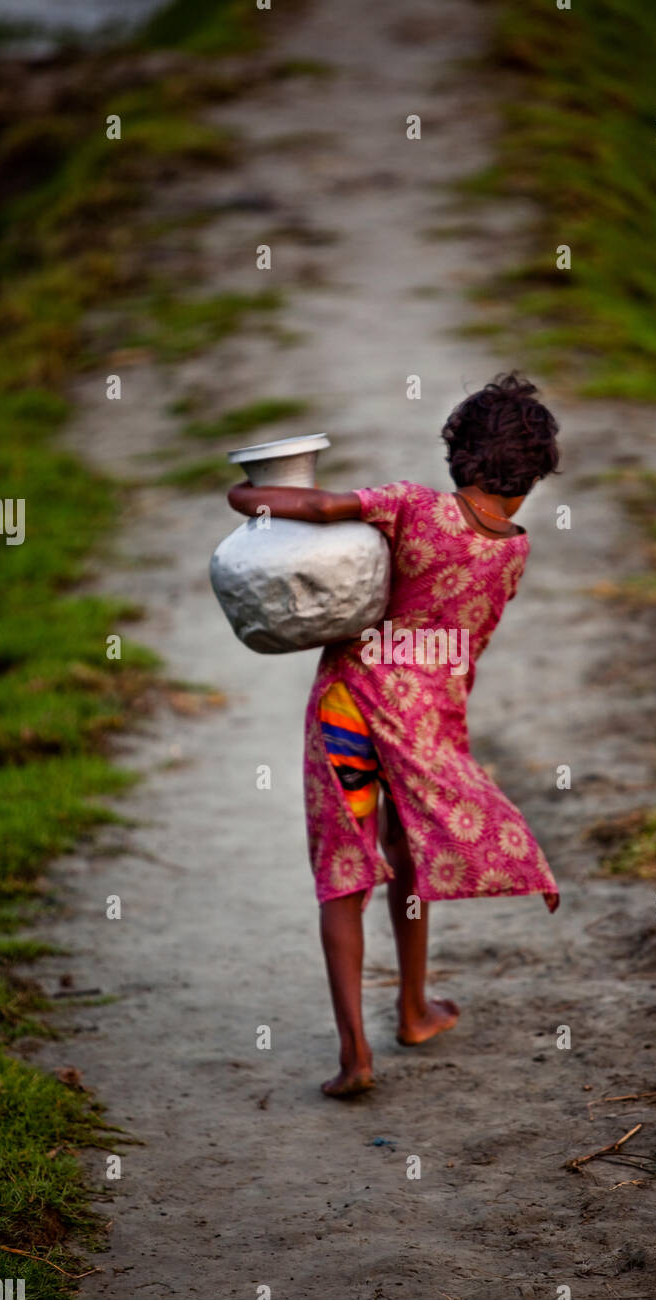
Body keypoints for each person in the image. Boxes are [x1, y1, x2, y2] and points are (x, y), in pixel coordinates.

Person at [227, 372, 561, 1097]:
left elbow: (317, 506)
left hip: (349, 708)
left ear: (457, 458)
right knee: (409, 859)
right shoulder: (515, 551)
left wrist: (245, 498)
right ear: (532, 479)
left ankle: (355, 1056)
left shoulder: (413, 508)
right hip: (428, 726)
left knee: (342, 875)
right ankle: (412, 1009)